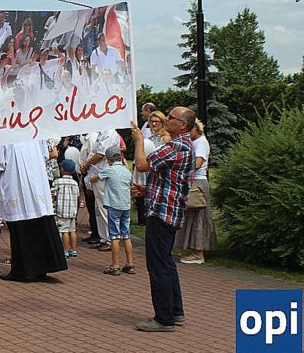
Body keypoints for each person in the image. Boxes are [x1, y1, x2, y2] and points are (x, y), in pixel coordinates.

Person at [130, 106, 196, 332]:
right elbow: (170, 179)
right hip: (168, 209)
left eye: (171, 117)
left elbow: (142, 165)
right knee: (166, 262)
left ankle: (164, 318)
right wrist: (147, 190)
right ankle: (175, 312)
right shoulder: (184, 145)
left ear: (183, 124)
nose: (166, 119)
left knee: (158, 265)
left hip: (162, 212)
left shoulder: (177, 146)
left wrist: (139, 140)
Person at [0, 141, 67, 282]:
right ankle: (42, 268)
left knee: (20, 223)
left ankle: (23, 270)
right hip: (37, 181)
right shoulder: (33, 129)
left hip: (16, 184)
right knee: (40, 220)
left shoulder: (2, 133)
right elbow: (45, 154)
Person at [176, 119, 217, 265]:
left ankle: (199, 253)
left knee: (199, 216)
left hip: (198, 182)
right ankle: (192, 249)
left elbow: (198, 163)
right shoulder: (195, 142)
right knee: (190, 216)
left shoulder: (200, 142)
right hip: (193, 181)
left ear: (196, 129)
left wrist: (182, 167)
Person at [93, 146, 134, 276]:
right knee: (126, 235)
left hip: (114, 206)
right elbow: (131, 184)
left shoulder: (109, 170)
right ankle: (130, 264)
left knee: (114, 236)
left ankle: (115, 265)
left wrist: (91, 178)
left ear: (108, 159)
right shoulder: (127, 171)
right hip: (125, 206)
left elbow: (96, 177)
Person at [52, 158, 80, 259]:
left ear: (62, 169)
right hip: (72, 211)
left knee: (64, 231)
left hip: (62, 210)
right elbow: (78, 196)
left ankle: (65, 250)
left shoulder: (57, 182)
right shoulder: (75, 183)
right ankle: (73, 249)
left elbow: (53, 194)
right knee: (72, 230)